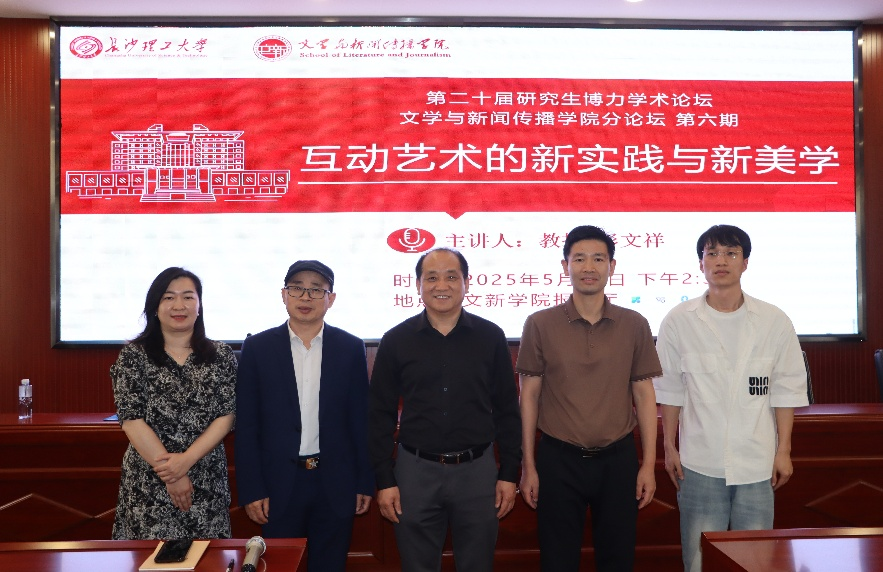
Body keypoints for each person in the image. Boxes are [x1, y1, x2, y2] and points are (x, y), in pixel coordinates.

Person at [654, 224, 809, 572]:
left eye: (730, 253)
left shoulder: (773, 320)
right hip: (699, 463)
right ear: (701, 263)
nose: (721, 261)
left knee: (754, 562)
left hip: (757, 463)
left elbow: (785, 390)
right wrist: (669, 447)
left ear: (745, 263)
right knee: (698, 561)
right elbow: (670, 390)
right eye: (712, 253)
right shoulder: (678, 321)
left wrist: (783, 450)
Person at [516, 225, 661, 572]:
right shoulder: (540, 323)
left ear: (612, 266)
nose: (589, 267)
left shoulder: (634, 323)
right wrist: (529, 465)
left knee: (618, 559)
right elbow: (529, 396)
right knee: (557, 560)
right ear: (565, 266)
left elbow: (644, 395)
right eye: (579, 259)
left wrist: (647, 465)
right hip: (558, 459)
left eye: (598, 259)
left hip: (618, 459)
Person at [369, 247, 522, 572]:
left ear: (466, 283)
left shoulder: (490, 337)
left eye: (452, 277)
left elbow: (507, 410)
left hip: (477, 472)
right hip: (414, 473)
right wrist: (384, 479)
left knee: (477, 564)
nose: (442, 285)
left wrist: (510, 473)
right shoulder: (396, 340)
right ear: (418, 285)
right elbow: (380, 414)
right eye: (432, 278)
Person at [235, 260, 373, 572]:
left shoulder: (350, 347)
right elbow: (247, 426)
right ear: (284, 295)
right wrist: (252, 489)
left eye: (316, 290)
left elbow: (360, 421)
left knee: (330, 564)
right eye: (297, 288)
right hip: (278, 483)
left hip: (335, 481)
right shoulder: (258, 348)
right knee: (281, 566)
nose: (306, 297)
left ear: (330, 298)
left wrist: (364, 481)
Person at [111, 267, 236, 540]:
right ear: (155, 307)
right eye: (169, 297)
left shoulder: (221, 355)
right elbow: (132, 420)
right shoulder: (133, 356)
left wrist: (185, 462)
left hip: (205, 478)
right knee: (148, 558)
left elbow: (226, 415)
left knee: (208, 557)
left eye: (188, 297)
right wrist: (173, 475)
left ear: (199, 306)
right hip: (149, 481)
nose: (179, 305)